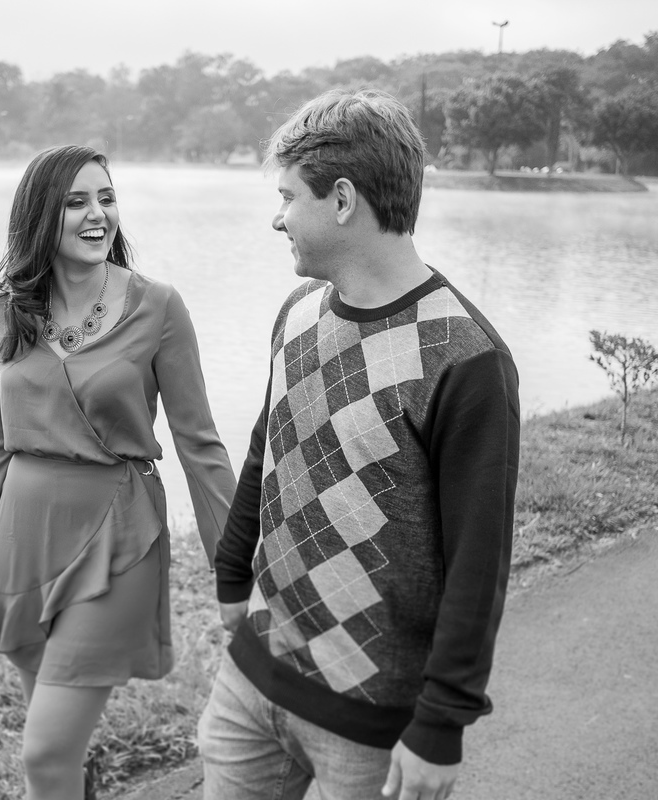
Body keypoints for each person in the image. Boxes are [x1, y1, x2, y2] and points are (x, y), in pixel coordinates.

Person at [198, 89, 520, 800]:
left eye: (288, 197)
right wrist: (231, 574)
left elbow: (479, 561)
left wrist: (442, 723)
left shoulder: (466, 360)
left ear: (342, 200)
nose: (276, 218)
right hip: (252, 680)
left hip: (371, 722)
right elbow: (266, 449)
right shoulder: (296, 313)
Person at [0, 144, 236, 800]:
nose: (97, 214)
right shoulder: (7, 309)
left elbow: (199, 446)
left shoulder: (157, 306)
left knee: (44, 754)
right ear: (39, 216)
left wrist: (234, 567)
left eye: (106, 198)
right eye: (76, 201)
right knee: (59, 748)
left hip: (116, 534)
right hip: (25, 536)